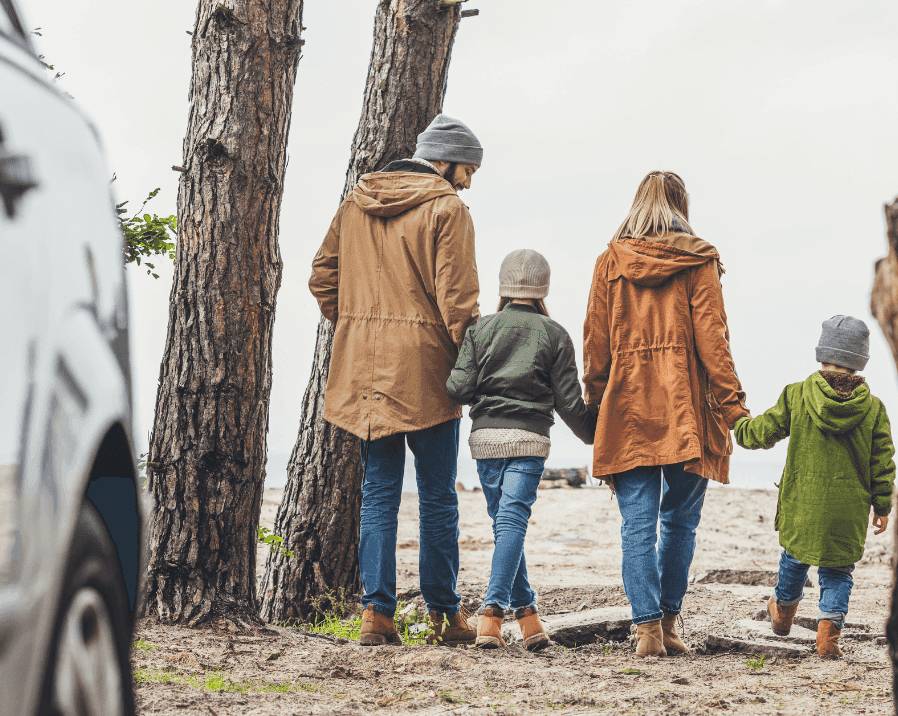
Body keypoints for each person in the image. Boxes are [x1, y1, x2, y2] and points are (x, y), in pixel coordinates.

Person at [309, 113, 483, 647]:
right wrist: (472, 367)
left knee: (378, 491)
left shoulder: (354, 204)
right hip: (428, 369)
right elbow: (459, 302)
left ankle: (376, 615)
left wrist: (356, 323)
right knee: (436, 496)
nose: (470, 181)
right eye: (469, 168)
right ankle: (444, 615)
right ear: (445, 161)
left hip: (362, 369)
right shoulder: (447, 209)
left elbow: (322, 276)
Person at [582, 171, 747, 658]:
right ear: (681, 206)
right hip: (686, 408)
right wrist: (733, 405)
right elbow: (712, 339)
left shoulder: (609, 262)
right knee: (679, 524)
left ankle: (647, 631)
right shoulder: (698, 259)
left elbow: (595, 344)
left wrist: (595, 404)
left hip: (626, 405)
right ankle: (669, 623)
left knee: (637, 526)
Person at [445, 249, 595, 652]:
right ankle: (491, 615)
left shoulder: (481, 329)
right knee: (511, 525)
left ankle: (528, 618)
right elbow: (569, 403)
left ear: (503, 285)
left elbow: (457, 389)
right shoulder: (555, 334)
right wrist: (594, 433)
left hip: (485, 440)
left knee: (505, 525)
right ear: (543, 288)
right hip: (530, 441)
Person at [734, 315, 895, 659]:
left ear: (821, 353)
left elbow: (761, 433)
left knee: (793, 559)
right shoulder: (874, 409)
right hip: (848, 512)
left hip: (803, 506)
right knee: (838, 573)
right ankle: (827, 640)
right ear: (860, 360)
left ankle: (782, 615)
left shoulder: (797, 395)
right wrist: (882, 506)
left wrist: (739, 424)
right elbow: (882, 464)